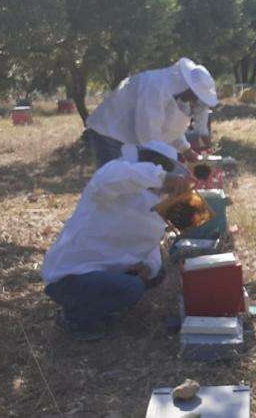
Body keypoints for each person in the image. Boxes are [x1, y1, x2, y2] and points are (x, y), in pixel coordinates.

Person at [42, 140, 194, 341]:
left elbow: (152, 246)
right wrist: (163, 177)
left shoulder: (153, 203)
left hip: (101, 270)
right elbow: (117, 176)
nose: (157, 170)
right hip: (69, 276)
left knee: (157, 274)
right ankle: (75, 318)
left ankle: (101, 305)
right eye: (154, 165)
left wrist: (148, 267)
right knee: (131, 289)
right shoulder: (108, 182)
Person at [85, 58, 218, 167]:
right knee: (114, 183)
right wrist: (168, 167)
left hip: (127, 135)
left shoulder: (173, 94)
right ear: (188, 87)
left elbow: (168, 128)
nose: (194, 101)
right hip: (109, 131)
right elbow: (148, 136)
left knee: (133, 187)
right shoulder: (155, 87)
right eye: (195, 96)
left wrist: (185, 150)